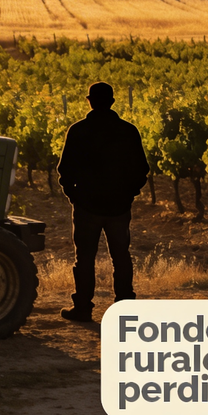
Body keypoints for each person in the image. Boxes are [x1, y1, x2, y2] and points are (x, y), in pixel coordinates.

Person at [57, 82, 149, 322]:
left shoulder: (78, 130)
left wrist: (74, 197)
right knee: (121, 256)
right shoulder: (128, 131)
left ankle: (83, 309)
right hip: (119, 207)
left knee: (84, 258)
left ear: (89, 101)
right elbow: (142, 170)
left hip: (87, 207)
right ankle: (125, 311)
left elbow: (64, 170)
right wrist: (129, 195)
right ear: (112, 101)